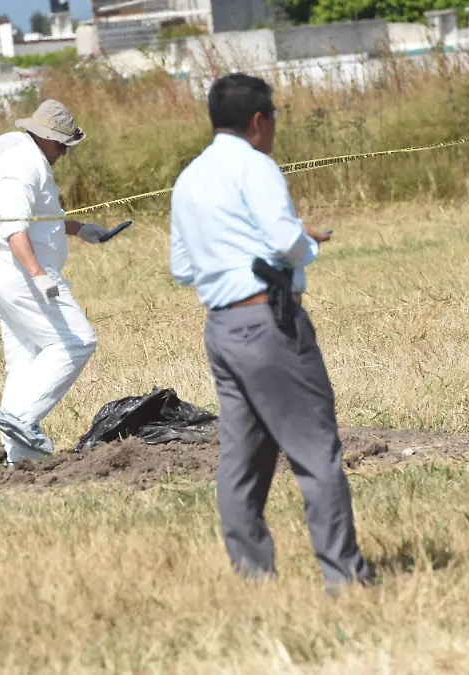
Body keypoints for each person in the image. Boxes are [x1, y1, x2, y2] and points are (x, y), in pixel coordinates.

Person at [169, 73, 375, 591]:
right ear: (259, 121)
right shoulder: (256, 166)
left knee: (241, 461)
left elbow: (182, 268)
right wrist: (308, 246)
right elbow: (285, 241)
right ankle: (344, 579)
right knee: (315, 451)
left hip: (221, 328)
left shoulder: (188, 178)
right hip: (269, 322)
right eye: (275, 118)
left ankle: (252, 578)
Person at [0, 99, 115, 465]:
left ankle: (18, 458)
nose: (65, 152)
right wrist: (38, 276)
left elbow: (37, 220)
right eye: (62, 144)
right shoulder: (21, 165)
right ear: (44, 136)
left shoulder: (27, 158)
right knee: (77, 341)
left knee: (27, 360)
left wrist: (80, 229)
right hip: (23, 277)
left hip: (10, 278)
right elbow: (13, 229)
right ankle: (20, 419)